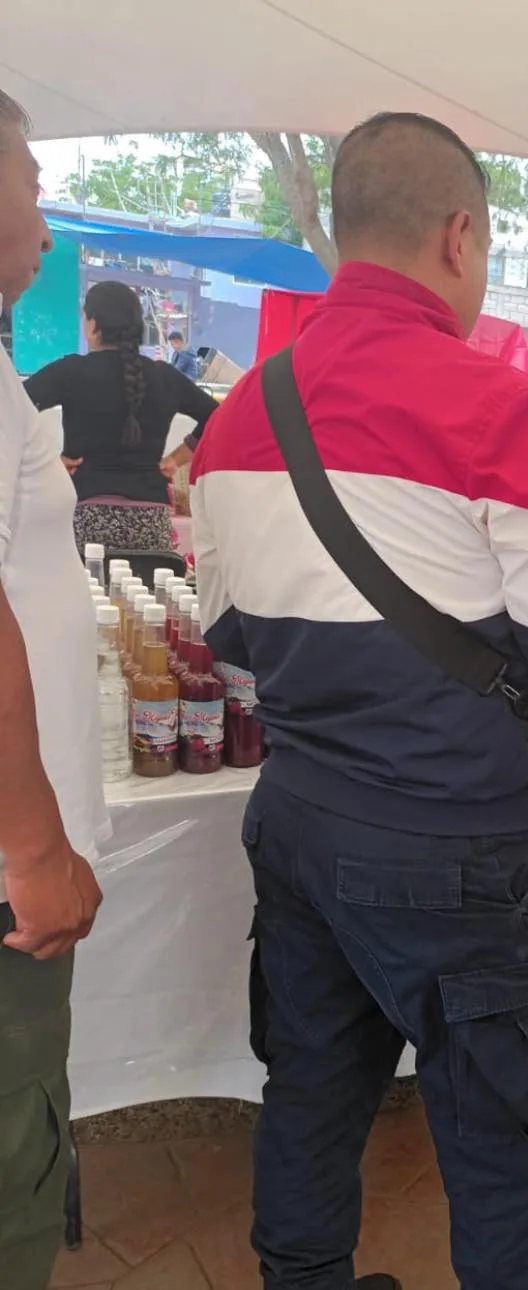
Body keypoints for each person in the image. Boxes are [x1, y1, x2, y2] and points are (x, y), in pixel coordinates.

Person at [190, 111, 528, 1290]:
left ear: (341, 229)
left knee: (312, 1089)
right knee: (500, 1138)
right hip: (451, 847)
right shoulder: (494, 405)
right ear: (461, 237)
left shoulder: (242, 413)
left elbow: (227, 637)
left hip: (296, 818)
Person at [0, 87, 108, 1290]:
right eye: (26, 176)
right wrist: (33, 847)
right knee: (12, 1149)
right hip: (4, 871)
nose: (41, 207)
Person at [24, 280, 218, 553]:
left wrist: (47, 462)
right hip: (150, 522)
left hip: (85, 519)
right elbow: (217, 416)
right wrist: (176, 459)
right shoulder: (165, 377)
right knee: (149, 592)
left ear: (93, 325)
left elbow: (10, 410)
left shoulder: (70, 372)